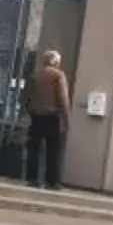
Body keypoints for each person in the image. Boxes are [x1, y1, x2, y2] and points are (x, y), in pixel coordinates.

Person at [24, 48, 71, 190]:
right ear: (56, 62)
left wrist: (29, 110)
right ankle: (52, 181)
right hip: (52, 116)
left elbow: (26, 96)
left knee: (34, 148)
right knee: (53, 149)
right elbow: (63, 99)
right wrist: (66, 118)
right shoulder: (58, 76)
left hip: (36, 116)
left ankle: (32, 178)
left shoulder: (34, 75)